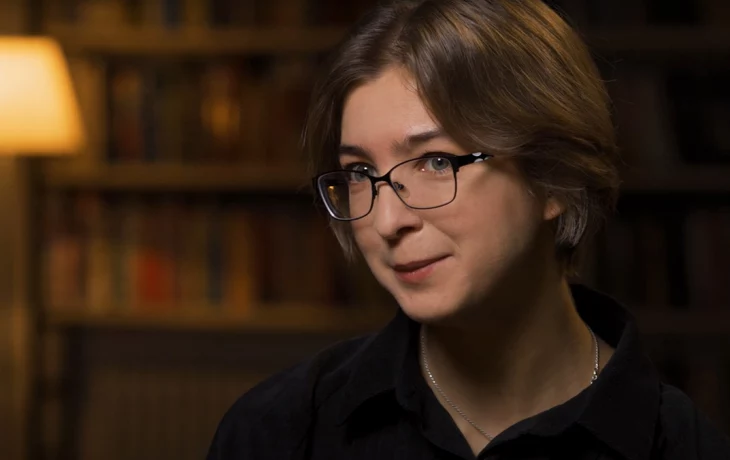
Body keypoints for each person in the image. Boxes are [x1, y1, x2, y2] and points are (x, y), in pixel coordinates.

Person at [207, 0, 730, 458]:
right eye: (360, 173)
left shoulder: (682, 447)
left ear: (554, 177)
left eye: (436, 162)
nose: (387, 222)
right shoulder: (276, 432)